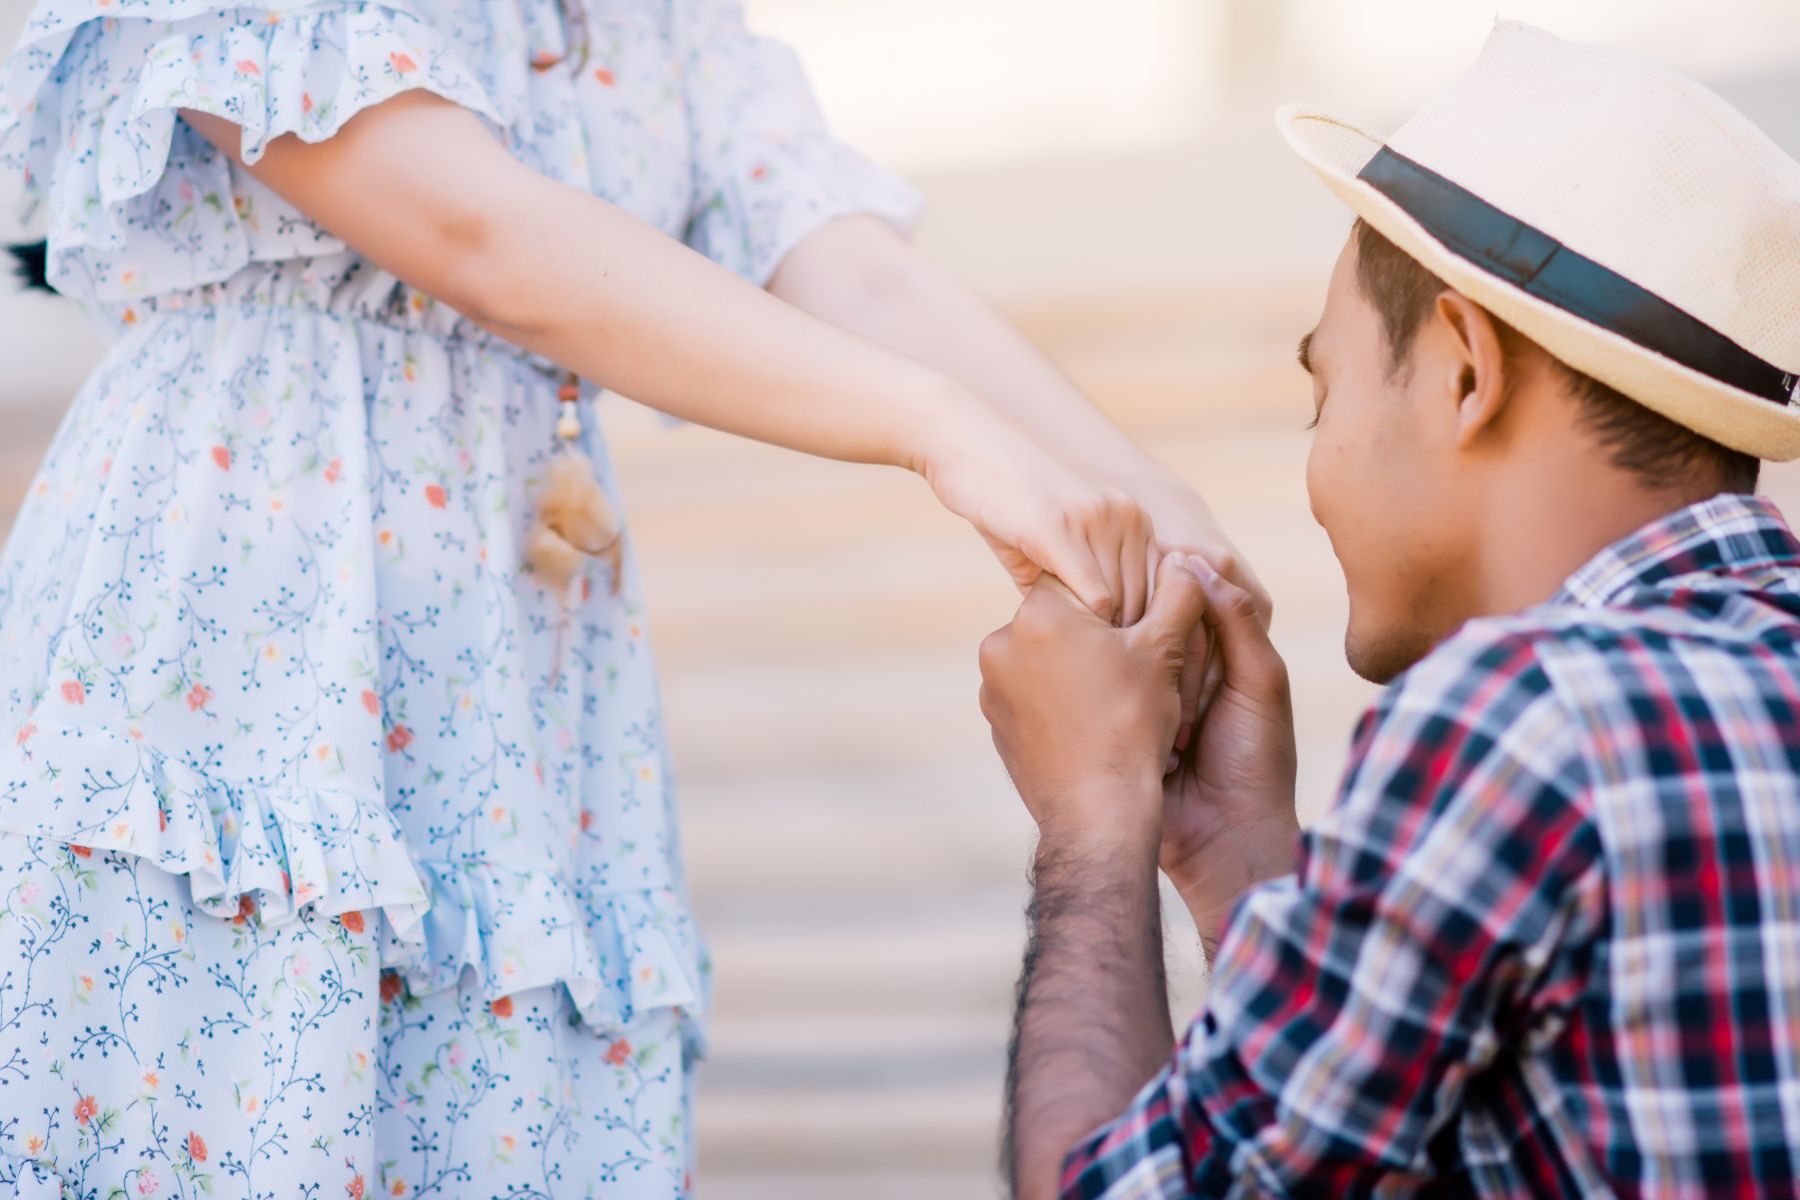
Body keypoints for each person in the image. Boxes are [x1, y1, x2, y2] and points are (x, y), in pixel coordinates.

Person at [0, 1, 1259, 1195]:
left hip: (513, 691)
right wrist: (942, 431)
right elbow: (474, 232)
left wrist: (1157, 504)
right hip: (250, 636)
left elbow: (843, 264)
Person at [978, 22, 1800, 1199]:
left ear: (1466, 369)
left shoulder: (1525, 718)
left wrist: (1091, 816)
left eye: (1325, 390)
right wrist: (1242, 859)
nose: (1317, 469)